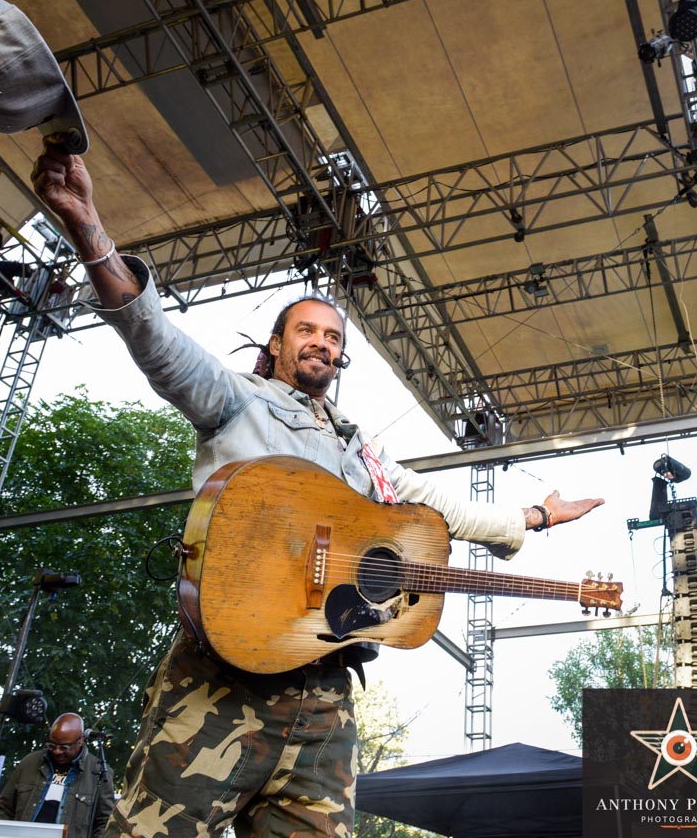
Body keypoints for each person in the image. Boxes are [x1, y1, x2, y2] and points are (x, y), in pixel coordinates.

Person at [31, 136, 604, 838]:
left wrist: (537, 515)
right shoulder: (235, 400)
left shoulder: (360, 450)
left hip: (325, 698)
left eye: (333, 338)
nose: (323, 344)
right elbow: (154, 341)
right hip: (219, 681)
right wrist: (91, 230)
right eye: (307, 330)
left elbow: (438, 508)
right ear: (276, 344)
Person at [0, 712, 114, 838]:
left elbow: (106, 822)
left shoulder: (99, 773)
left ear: (80, 740)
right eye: (52, 745)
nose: (57, 751)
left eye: (64, 747)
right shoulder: (30, 762)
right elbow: (3, 809)